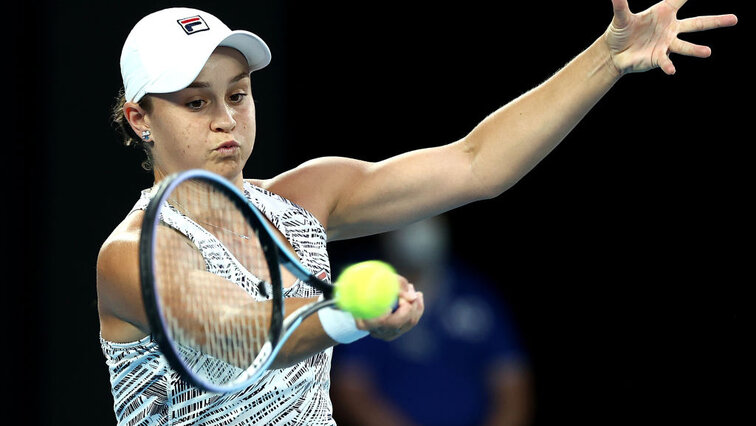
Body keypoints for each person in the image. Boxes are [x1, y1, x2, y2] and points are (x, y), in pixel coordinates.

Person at [96, 1, 736, 424]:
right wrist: (351, 315)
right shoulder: (132, 255)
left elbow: (477, 163)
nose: (226, 120)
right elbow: (239, 335)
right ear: (139, 118)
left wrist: (607, 58)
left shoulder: (305, 199)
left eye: (238, 95)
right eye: (195, 103)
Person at [331, 216, 533, 426]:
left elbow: (512, 382)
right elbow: (350, 385)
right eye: (409, 218)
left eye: (431, 216)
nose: (418, 227)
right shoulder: (365, 295)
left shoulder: (477, 294)